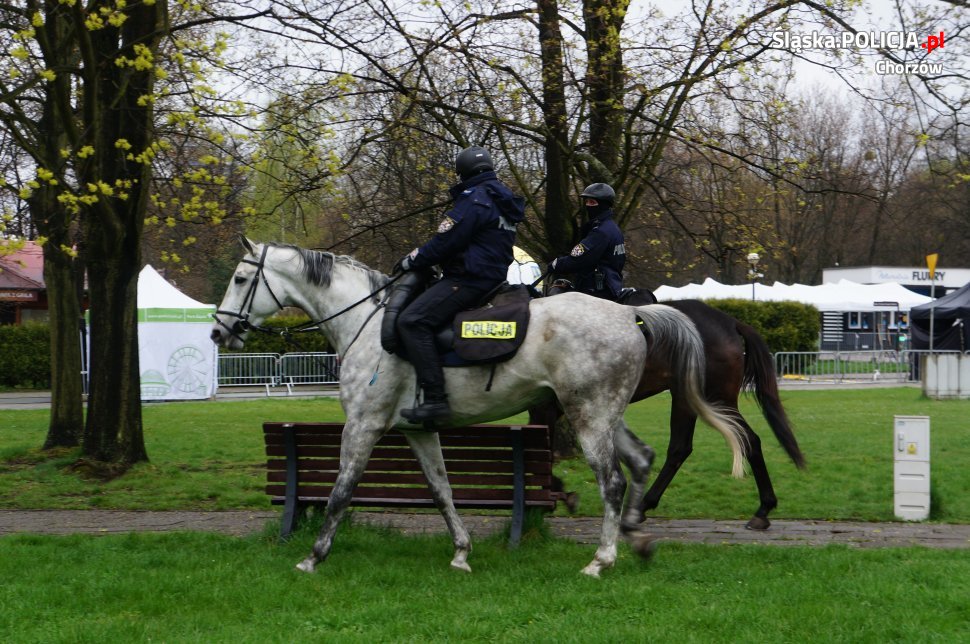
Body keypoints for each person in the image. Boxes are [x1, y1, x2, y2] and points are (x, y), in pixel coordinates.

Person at [395, 146, 526, 424]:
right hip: (492, 277)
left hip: (468, 279)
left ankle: (435, 400)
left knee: (412, 321)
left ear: (463, 173)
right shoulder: (501, 199)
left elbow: (446, 241)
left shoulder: (474, 199)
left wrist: (412, 260)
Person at [548, 182, 626, 300]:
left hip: (596, 291)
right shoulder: (614, 229)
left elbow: (578, 260)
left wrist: (556, 264)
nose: (588, 205)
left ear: (604, 204)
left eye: (592, 202)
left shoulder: (600, 232)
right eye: (587, 202)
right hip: (612, 287)